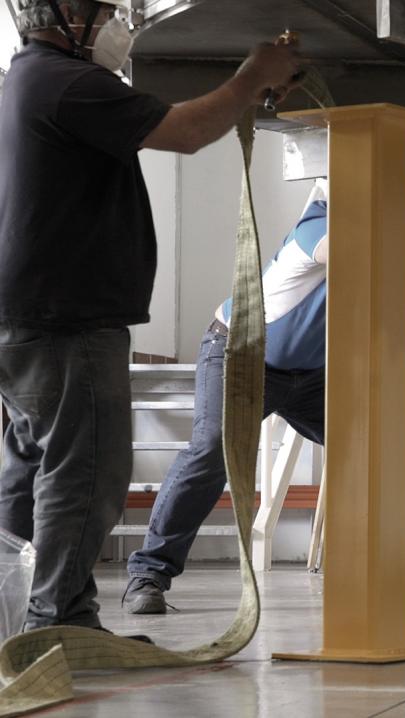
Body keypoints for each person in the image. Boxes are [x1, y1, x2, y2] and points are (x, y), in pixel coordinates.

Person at [0, 0, 299, 632]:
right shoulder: (66, 81)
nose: (116, 23)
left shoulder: (25, 80)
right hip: (67, 318)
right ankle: (57, 624)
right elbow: (186, 132)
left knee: (33, 469)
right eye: (105, 11)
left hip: (31, 313)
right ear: (67, 18)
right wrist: (253, 75)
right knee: (85, 472)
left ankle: (31, 618)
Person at [123, 183, 405, 614]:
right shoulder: (315, 229)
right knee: (211, 452)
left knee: (366, 456)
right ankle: (148, 575)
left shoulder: (387, 238)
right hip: (240, 354)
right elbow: (356, 242)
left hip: (309, 374)